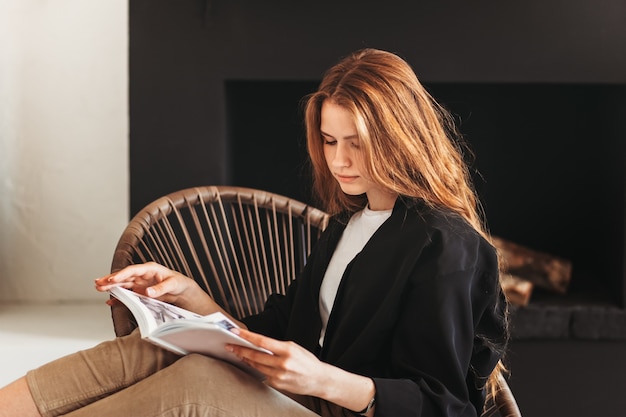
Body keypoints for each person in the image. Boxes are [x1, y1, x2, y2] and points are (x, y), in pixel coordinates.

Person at [0, 48, 508, 417]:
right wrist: (190, 298)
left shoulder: (445, 245)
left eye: (357, 142)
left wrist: (323, 379)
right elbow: (274, 333)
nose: (339, 160)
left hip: (342, 409)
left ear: (401, 137)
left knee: (197, 382)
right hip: (301, 397)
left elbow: (447, 407)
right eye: (330, 141)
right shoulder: (346, 228)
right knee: (158, 347)